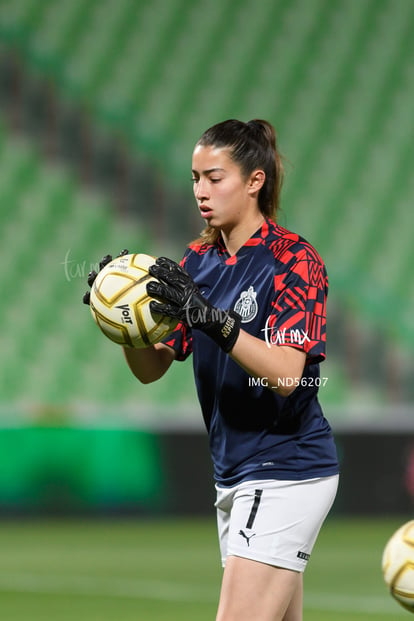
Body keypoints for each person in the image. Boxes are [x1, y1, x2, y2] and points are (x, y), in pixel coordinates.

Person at [84, 119, 339, 621]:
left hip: (286, 467)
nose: (201, 190)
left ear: (254, 181)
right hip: (232, 473)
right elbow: (151, 370)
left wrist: (213, 321)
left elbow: (289, 376)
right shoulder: (197, 260)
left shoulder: (295, 260)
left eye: (214, 177)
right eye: (195, 178)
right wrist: (124, 322)